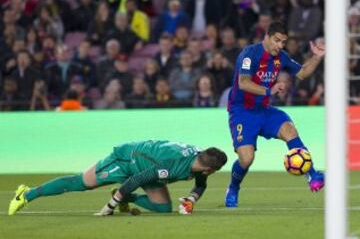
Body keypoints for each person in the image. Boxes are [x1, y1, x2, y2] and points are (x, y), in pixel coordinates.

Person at [224, 22, 325, 208]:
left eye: (283, 42)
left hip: (264, 110)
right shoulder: (249, 54)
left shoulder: (281, 57)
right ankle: (233, 187)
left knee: (289, 130)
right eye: (276, 40)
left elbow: (302, 73)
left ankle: (312, 174)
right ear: (267, 36)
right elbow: (244, 83)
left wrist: (317, 57)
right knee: (246, 159)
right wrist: (269, 90)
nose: (279, 45)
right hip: (242, 112)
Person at [8, 140, 227, 216]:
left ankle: (126, 198)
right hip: (127, 158)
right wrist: (110, 206)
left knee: (162, 208)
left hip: (148, 164)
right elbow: (137, 179)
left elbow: (200, 184)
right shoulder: (173, 167)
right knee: (82, 184)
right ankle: (26, 194)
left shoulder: (202, 158)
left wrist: (191, 200)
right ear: (210, 169)